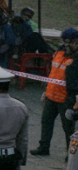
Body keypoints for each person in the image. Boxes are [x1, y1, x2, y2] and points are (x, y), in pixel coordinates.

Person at [31, 29, 78, 157]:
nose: (68, 45)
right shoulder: (58, 53)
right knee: (46, 122)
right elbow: (53, 73)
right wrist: (46, 92)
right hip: (51, 95)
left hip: (66, 98)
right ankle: (43, 147)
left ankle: (71, 154)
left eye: (72, 42)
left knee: (68, 127)